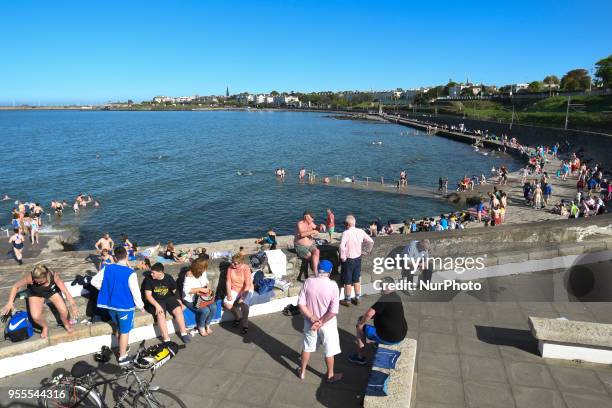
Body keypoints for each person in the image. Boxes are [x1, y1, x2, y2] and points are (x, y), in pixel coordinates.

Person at [91, 246, 144, 365]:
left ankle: (122, 347)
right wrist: (141, 306)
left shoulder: (107, 268)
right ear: (126, 256)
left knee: (118, 327)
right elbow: (136, 292)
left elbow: (94, 281)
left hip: (110, 306)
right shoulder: (130, 273)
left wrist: (107, 290)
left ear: (114, 257)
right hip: (125, 307)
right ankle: (122, 356)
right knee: (125, 331)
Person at [1, 264, 79, 338]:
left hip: (50, 292)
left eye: (41, 282)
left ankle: (66, 324)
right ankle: (44, 327)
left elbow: (65, 292)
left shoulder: (53, 276)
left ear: (47, 275)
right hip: (35, 293)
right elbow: (15, 286)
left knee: (64, 311)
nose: (37, 283)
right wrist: (10, 302)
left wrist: (73, 305)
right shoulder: (30, 278)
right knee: (35, 316)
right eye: (36, 281)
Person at [297, 260, 342, 383]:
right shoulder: (333, 285)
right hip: (327, 323)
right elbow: (333, 311)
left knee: (307, 347)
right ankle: (330, 375)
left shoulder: (308, 281)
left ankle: (302, 372)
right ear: (330, 271)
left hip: (310, 322)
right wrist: (321, 322)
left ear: (317, 269)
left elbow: (301, 304)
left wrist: (312, 318)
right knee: (329, 350)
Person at [349, 276, 408, 364]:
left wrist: (361, 324)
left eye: (382, 286)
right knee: (365, 320)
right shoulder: (396, 296)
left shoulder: (385, 298)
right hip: (401, 335)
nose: (381, 289)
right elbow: (383, 312)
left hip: (390, 338)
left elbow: (369, 314)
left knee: (359, 326)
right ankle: (377, 343)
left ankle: (360, 357)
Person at [142, 263, 191, 344]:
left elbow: (175, 290)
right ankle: (166, 339)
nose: (151, 274)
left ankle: (183, 333)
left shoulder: (168, 277)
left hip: (168, 298)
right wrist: (157, 306)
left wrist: (179, 301)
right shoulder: (148, 279)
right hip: (155, 300)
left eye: (153, 273)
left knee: (178, 310)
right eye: (151, 272)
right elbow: (148, 296)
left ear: (160, 273)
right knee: (160, 314)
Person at [339, 215, 374, 307]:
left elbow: (342, 247)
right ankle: (358, 298)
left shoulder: (346, 233)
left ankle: (347, 300)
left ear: (347, 224)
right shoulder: (361, 231)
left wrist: (343, 258)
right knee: (356, 279)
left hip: (348, 260)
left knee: (348, 281)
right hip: (358, 258)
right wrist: (365, 252)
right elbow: (370, 241)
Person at [182, 258, 218, 336]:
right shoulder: (189, 274)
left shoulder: (203, 272)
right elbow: (187, 290)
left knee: (214, 307)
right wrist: (200, 289)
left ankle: (207, 324)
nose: (205, 269)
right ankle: (201, 326)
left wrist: (207, 287)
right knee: (205, 310)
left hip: (201, 297)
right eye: (204, 268)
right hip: (190, 299)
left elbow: (205, 281)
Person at [223, 254, 253, 335]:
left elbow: (247, 284)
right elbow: (228, 281)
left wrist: (243, 297)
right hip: (235, 289)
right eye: (232, 262)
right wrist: (229, 293)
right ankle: (238, 317)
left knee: (244, 305)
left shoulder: (246, 268)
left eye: (235, 263)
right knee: (227, 304)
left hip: (246, 289)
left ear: (241, 263)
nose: (233, 264)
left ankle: (245, 324)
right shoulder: (230, 268)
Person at [294, 211, 321, 277]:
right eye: (311, 217)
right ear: (306, 217)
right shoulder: (300, 224)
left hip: (311, 245)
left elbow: (316, 228)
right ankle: (316, 273)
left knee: (317, 251)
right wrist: (313, 231)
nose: (313, 219)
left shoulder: (311, 223)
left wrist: (320, 226)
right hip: (301, 246)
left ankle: (316, 272)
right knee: (311, 256)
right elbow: (302, 234)